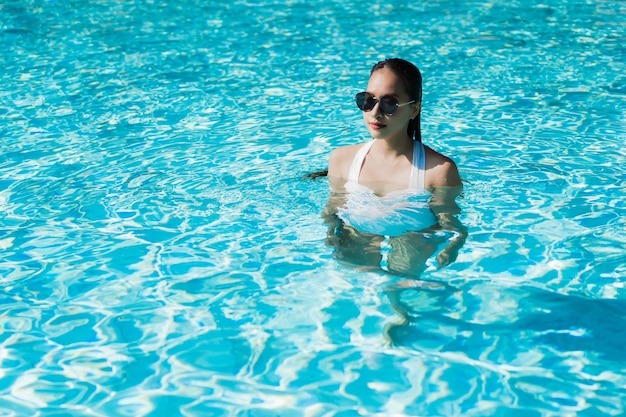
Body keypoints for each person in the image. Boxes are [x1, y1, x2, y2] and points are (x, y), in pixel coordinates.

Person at [322, 58, 467, 277]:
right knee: (355, 277)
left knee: (402, 284)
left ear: (413, 110)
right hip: (358, 230)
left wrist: (453, 244)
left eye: (390, 103)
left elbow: (450, 224)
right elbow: (332, 208)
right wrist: (330, 231)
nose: (375, 112)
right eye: (368, 100)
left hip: (414, 235)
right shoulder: (341, 160)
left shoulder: (439, 171)